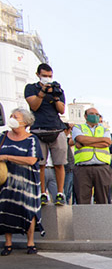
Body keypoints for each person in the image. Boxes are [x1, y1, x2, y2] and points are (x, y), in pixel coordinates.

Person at [0, 108, 44, 255]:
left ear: (24, 122)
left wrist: (7, 157)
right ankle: (8, 244)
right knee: (6, 209)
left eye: (15, 116)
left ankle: (30, 242)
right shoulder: (3, 136)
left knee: (28, 210)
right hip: (6, 180)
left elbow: (32, 160)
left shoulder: (31, 139)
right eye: (11, 116)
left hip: (26, 181)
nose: (12, 118)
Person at [24, 63, 67, 206]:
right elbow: (34, 106)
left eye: (49, 76)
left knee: (59, 163)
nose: (47, 79)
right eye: (44, 76)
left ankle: (60, 193)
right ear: (38, 75)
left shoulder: (57, 89)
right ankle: (43, 193)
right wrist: (42, 92)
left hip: (56, 128)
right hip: (38, 129)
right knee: (40, 164)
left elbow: (61, 110)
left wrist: (55, 96)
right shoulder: (31, 88)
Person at [72, 108, 112, 204]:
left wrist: (85, 142)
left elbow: (107, 142)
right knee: (82, 199)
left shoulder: (105, 129)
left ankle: (102, 219)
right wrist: (100, 140)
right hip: (83, 168)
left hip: (102, 167)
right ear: (85, 116)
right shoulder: (78, 128)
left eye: (97, 114)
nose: (94, 116)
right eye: (91, 114)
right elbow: (79, 138)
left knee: (103, 200)